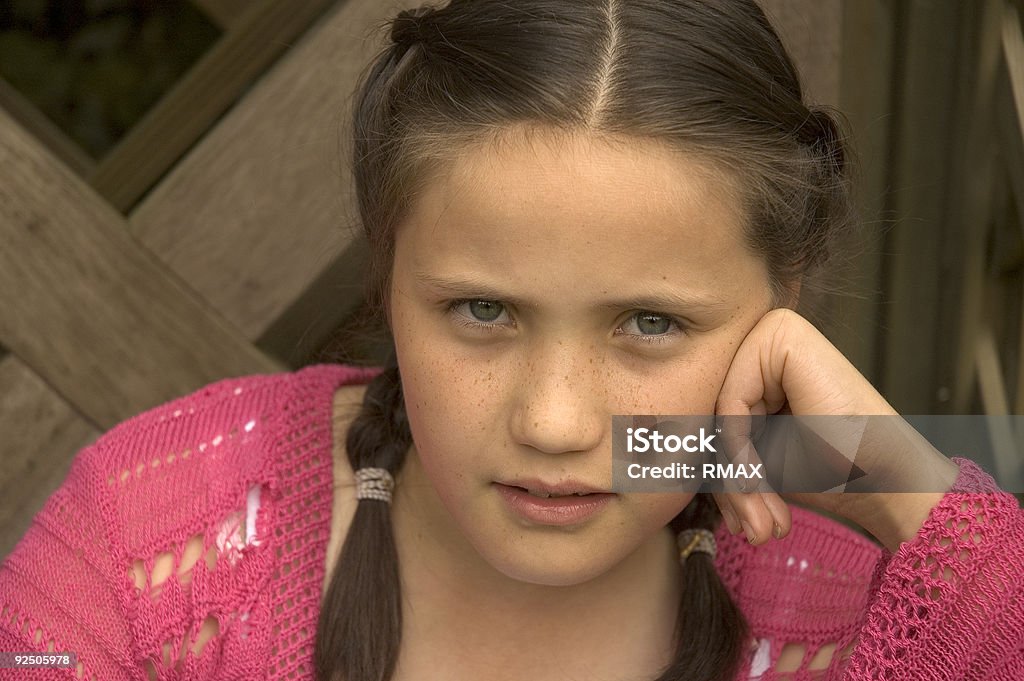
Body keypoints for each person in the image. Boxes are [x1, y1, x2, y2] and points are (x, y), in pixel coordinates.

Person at [1, 1, 1022, 680]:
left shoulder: (859, 618)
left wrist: (902, 488)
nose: (554, 420)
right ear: (387, 273)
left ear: (781, 309)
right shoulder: (146, 540)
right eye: (483, 311)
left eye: (651, 324)